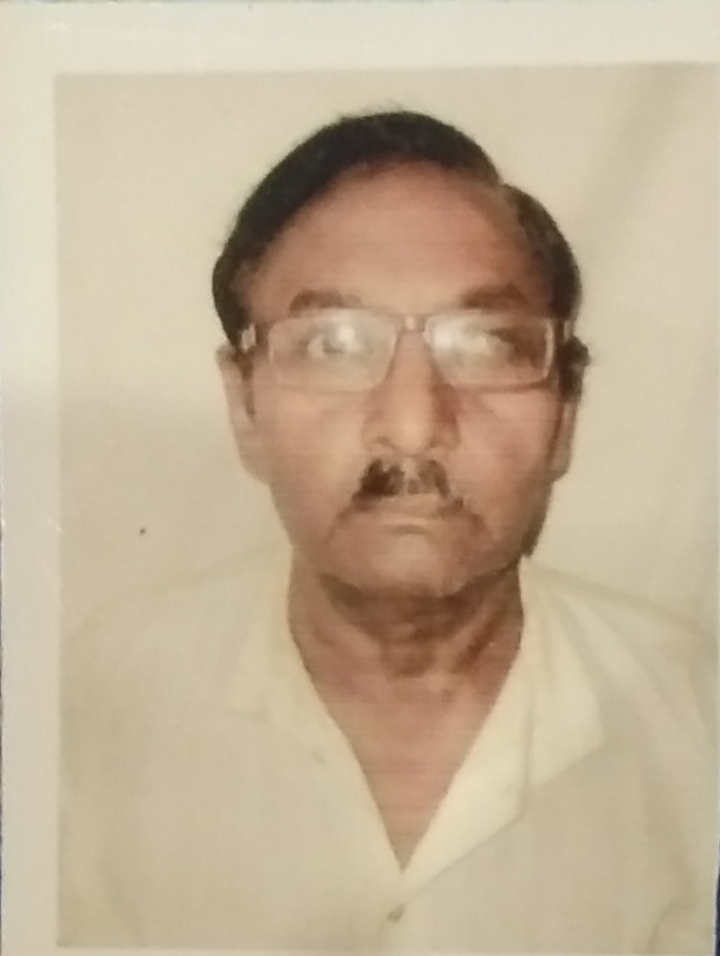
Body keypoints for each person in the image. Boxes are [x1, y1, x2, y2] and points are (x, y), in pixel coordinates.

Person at [59, 109, 716, 952]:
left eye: (486, 344)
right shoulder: (91, 708)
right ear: (245, 407)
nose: (412, 426)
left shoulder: (696, 722)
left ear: (564, 417)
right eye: (332, 344)